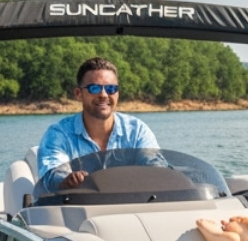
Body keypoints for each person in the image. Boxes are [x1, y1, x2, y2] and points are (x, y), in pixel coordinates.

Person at [37, 57, 159, 190]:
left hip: (131, 208)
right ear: (78, 94)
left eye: (111, 88)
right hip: (77, 208)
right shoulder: (59, 133)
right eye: (94, 88)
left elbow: (156, 167)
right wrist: (68, 180)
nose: (104, 95)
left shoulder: (137, 131)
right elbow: (53, 176)